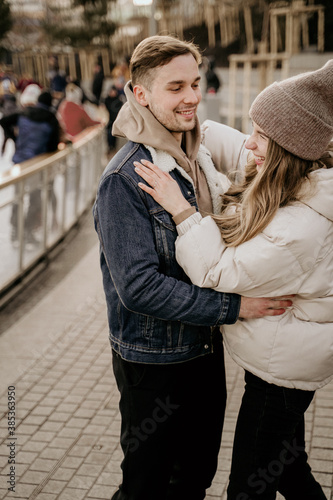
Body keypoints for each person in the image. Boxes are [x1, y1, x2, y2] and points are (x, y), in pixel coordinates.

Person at [93, 35, 292, 500]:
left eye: (196, 84)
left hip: (204, 350)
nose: (191, 98)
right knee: (146, 485)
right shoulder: (124, 178)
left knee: (196, 478)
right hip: (154, 360)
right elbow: (138, 288)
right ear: (141, 94)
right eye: (175, 87)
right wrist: (234, 306)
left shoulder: (196, 153)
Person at [134, 60, 333, 499]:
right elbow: (227, 141)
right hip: (287, 359)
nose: (250, 144)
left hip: (281, 377)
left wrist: (181, 209)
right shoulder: (304, 178)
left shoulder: (302, 227)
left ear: (286, 147)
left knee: (247, 488)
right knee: (289, 468)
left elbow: (216, 272)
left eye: (260, 136)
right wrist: (183, 123)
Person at [102, 84, 124, 154]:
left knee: (114, 136)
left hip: (116, 121)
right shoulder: (106, 100)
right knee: (109, 134)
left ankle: (113, 148)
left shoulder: (118, 100)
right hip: (109, 121)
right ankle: (110, 147)